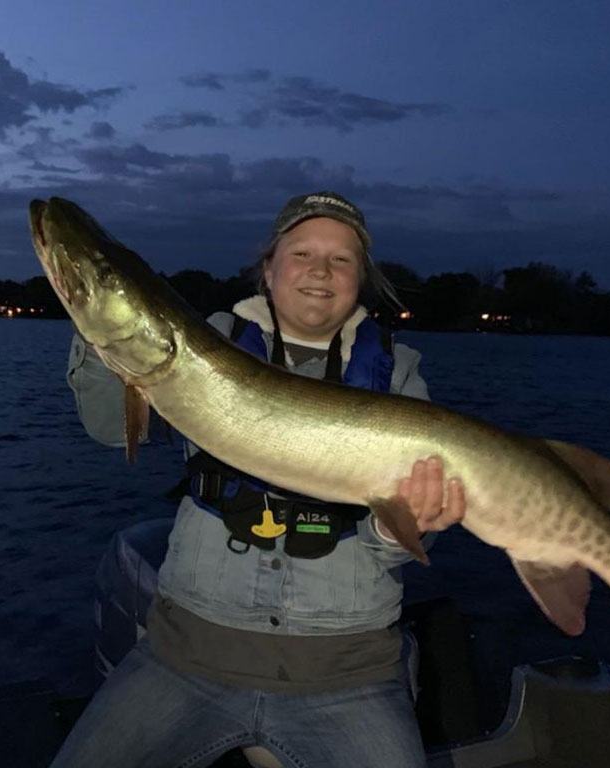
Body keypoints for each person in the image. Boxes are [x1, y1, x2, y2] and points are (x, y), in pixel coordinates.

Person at [52, 191, 466, 768]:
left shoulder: (396, 374)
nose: (321, 270)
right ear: (268, 269)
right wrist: (96, 325)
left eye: (341, 259)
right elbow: (105, 425)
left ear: (360, 280)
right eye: (301, 253)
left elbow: (404, 546)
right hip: (187, 656)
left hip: (347, 673)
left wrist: (407, 529)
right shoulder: (207, 341)